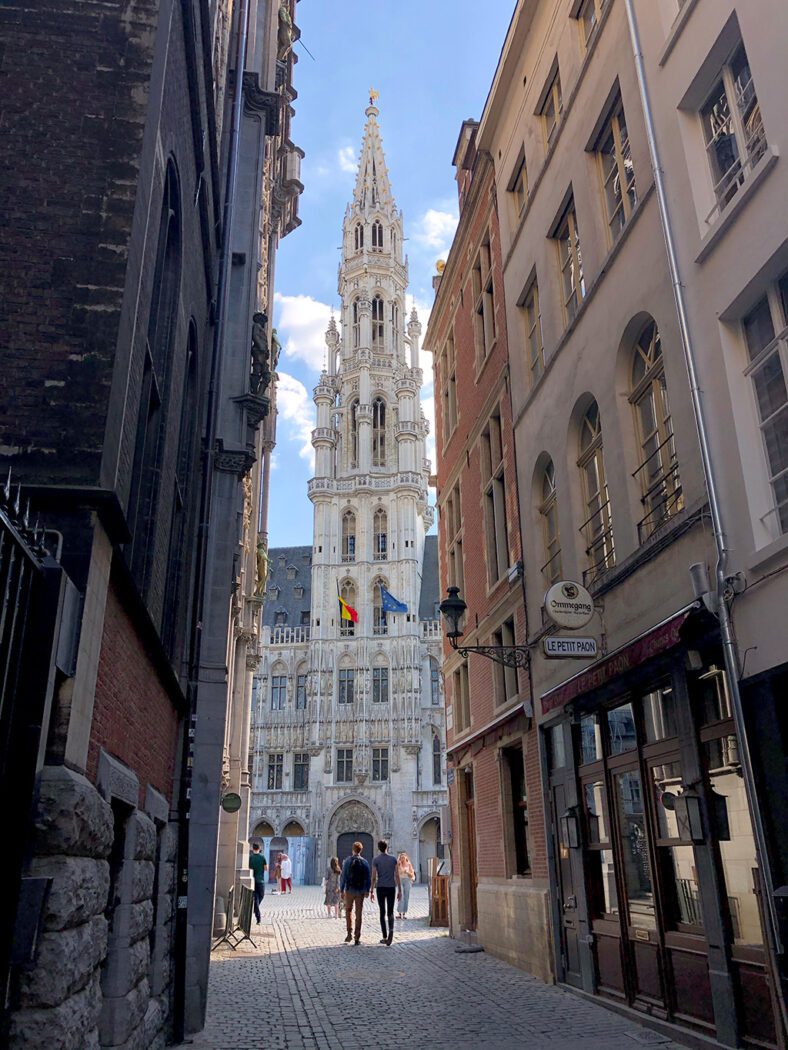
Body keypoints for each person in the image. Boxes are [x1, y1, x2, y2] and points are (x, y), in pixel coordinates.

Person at [339, 841, 371, 945]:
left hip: (349, 890)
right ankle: (357, 937)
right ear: (361, 850)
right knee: (359, 913)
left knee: (348, 911)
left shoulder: (347, 861)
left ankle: (349, 933)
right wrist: (367, 890)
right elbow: (368, 878)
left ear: (353, 850)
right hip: (360, 891)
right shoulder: (365, 862)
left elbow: (343, 876)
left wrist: (342, 889)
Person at [371, 839, 400, 946]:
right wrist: (400, 890)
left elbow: (373, 876)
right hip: (391, 887)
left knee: (382, 912)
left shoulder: (376, 860)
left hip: (380, 887)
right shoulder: (393, 859)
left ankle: (384, 936)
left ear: (379, 848)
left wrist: (371, 890)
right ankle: (391, 931)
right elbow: (397, 875)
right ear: (387, 847)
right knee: (390, 911)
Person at [249, 842, 267, 924]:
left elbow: (249, 868)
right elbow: (266, 868)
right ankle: (257, 912)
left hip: (253, 880)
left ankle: (256, 910)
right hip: (260, 880)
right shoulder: (262, 857)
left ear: (252, 849)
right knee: (261, 896)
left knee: (255, 897)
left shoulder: (251, 858)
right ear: (259, 849)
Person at [397, 852, 416, 919]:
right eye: (401, 858)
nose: (402, 859)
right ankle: (399, 912)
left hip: (407, 880)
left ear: (406, 858)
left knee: (406, 896)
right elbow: (396, 873)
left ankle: (404, 912)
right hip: (400, 880)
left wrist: (407, 872)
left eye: (403, 858)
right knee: (401, 895)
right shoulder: (398, 865)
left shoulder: (409, 865)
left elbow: (412, 875)